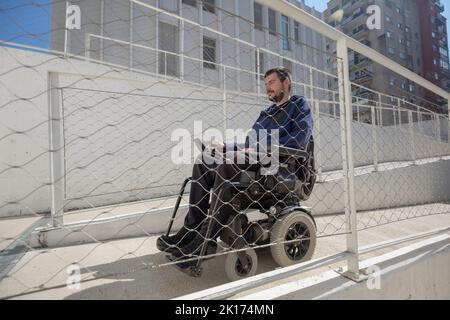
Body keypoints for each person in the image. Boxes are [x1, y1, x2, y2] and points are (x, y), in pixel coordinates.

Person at [157, 66, 314, 271]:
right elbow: (248, 143)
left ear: (286, 82)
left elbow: (299, 140)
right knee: (204, 160)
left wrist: (258, 149)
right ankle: (190, 230)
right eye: (265, 84)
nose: (267, 87)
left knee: (227, 164)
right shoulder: (266, 114)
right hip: (256, 160)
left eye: (272, 83)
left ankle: (205, 242)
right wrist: (225, 146)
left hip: (282, 166)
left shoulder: (298, 105)